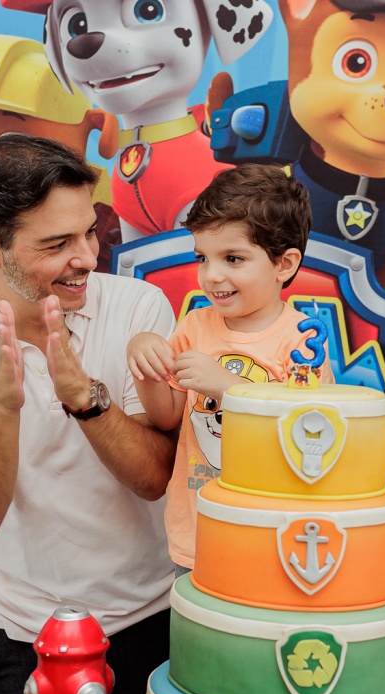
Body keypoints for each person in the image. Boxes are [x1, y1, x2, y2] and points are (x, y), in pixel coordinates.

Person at [0, 134, 179, 694]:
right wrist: (2, 410)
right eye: (57, 245)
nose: (86, 257)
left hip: (157, 623)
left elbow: (155, 477)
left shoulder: (138, 309)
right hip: (27, 638)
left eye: (89, 232)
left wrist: (85, 400)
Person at [126, 164, 329, 568]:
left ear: (284, 264)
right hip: (197, 533)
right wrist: (144, 363)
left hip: (271, 536)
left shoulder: (302, 341)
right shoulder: (194, 326)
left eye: (233, 258)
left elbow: (310, 434)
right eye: (203, 257)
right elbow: (166, 416)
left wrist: (230, 388)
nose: (212, 275)